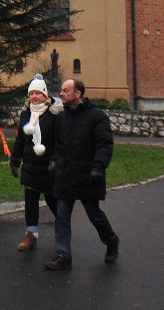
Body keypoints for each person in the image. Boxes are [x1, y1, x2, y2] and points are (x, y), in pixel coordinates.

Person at [44, 78, 119, 271]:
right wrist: (54, 159)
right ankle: (63, 256)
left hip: (87, 175)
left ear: (78, 94)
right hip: (66, 175)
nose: (61, 94)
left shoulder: (96, 116)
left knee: (95, 215)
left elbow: (104, 144)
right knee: (61, 216)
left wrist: (98, 167)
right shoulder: (61, 117)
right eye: (61, 90)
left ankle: (111, 241)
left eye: (66, 90)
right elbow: (58, 145)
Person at [9, 74, 59, 251]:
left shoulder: (53, 114)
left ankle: (63, 232)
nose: (34, 97)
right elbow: (21, 139)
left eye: (38, 93)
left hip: (48, 167)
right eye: (31, 94)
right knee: (30, 203)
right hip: (30, 166)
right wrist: (15, 159)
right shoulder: (26, 114)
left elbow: (60, 141)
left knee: (54, 201)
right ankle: (31, 236)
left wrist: (55, 159)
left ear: (45, 95)